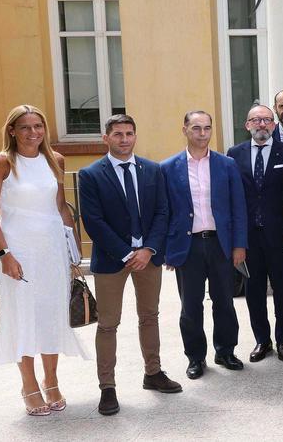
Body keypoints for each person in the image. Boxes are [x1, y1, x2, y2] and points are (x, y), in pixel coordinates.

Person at [0, 105, 87, 417]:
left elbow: (61, 207)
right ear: (12, 130)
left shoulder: (55, 159)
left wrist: (73, 252)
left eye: (38, 126)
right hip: (18, 250)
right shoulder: (0, 163)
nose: (33, 133)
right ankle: (28, 385)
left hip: (52, 249)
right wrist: (4, 255)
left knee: (52, 313)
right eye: (25, 127)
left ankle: (52, 380)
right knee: (24, 315)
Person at [79, 114, 181, 416]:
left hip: (148, 257)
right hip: (112, 260)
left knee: (150, 316)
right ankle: (107, 387)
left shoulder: (152, 170)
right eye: (118, 134)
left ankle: (153, 372)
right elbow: (93, 222)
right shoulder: (90, 174)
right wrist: (127, 253)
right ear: (106, 138)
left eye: (129, 133)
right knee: (108, 323)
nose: (124, 139)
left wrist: (148, 249)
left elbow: (163, 211)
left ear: (135, 136)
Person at [161, 111, 247, 379]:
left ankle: (225, 351)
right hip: (188, 247)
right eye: (196, 128)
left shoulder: (226, 164)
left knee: (224, 301)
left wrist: (239, 245)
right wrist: (168, 250)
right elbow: (163, 212)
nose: (202, 133)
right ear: (184, 129)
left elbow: (238, 207)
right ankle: (195, 357)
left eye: (207, 128)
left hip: (220, 244)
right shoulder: (168, 167)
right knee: (190, 305)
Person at [227, 104, 283, 363]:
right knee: (253, 290)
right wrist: (236, 238)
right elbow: (232, 196)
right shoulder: (234, 154)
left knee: (282, 289)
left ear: (274, 125)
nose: (262, 124)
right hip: (248, 238)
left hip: (279, 236)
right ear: (247, 125)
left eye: (267, 120)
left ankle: (282, 340)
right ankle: (262, 340)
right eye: (256, 120)